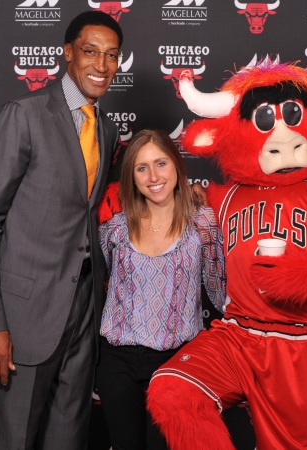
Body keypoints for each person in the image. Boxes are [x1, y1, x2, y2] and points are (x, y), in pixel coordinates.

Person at [0, 11, 123, 450]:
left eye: (112, 56)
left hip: (83, 316)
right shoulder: (24, 115)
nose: (101, 65)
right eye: (91, 51)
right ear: (68, 53)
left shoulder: (106, 130)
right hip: (23, 322)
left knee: (68, 441)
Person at [95, 129, 227, 450]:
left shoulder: (202, 221)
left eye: (161, 163)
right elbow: (90, 289)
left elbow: (222, 291)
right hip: (117, 362)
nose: (154, 176)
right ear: (132, 178)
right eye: (142, 168)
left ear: (177, 167)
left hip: (177, 361)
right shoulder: (114, 228)